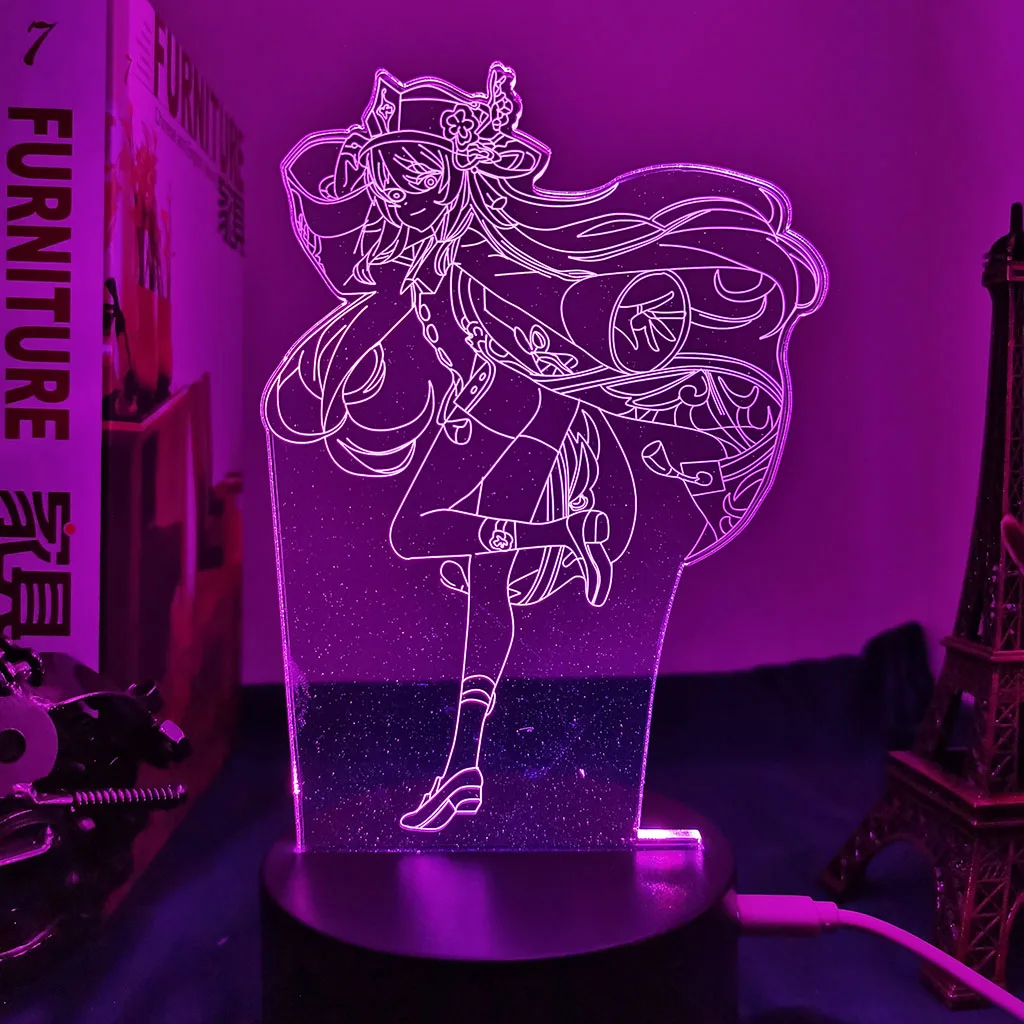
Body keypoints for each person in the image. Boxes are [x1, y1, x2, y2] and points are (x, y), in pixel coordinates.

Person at [263, 63, 827, 832]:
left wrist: (616, 361)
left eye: (415, 175)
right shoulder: (419, 254)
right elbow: (347, 260)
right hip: (489, 411)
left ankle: (561, 535)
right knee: (476, 582)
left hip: (525, 410)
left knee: (424, 536)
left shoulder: (480, 252)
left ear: (457, 174)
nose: (398, 195)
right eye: (388, 178)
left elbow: (559, 323)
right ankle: (465, 765)